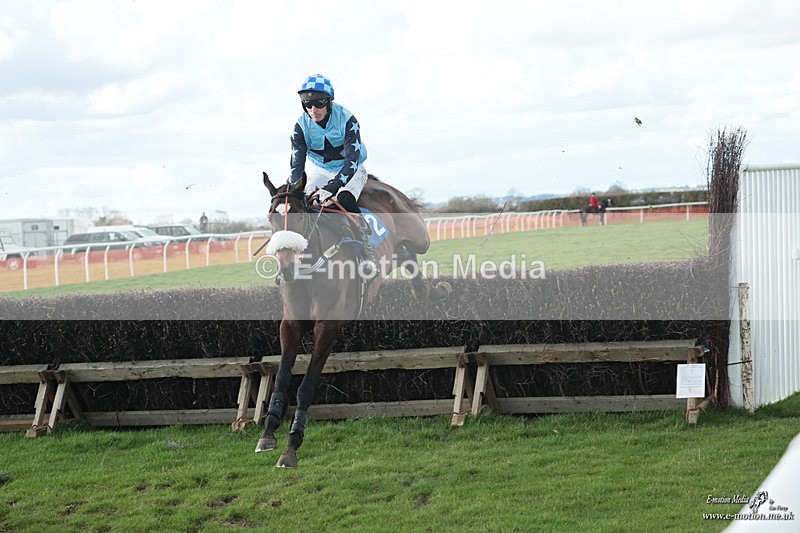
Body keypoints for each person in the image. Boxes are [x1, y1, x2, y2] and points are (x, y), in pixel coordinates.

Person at [288, 73, 376, 274]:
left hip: (352, 167)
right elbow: (297, 165)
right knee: (303, 202)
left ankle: (366, 248)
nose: (313, 110)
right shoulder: (300, 127)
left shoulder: (348, 120)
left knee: (344, 197)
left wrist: (333, 186)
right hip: (321, 170)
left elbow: (352, 160)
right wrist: (295, 190)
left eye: (318, 104)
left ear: (328, 102)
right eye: (308, 104)